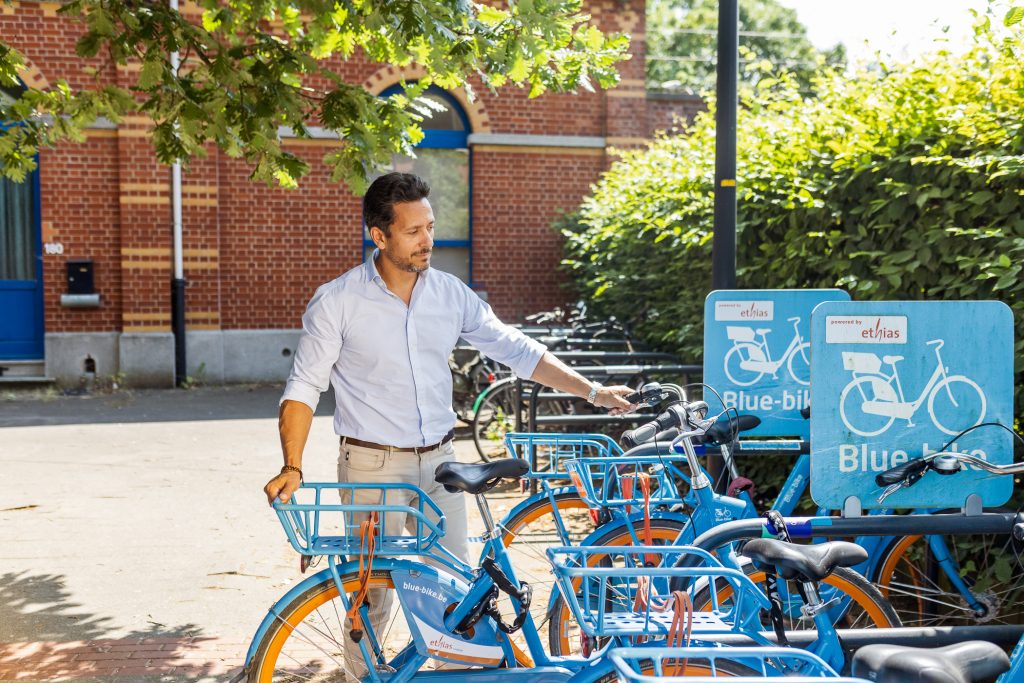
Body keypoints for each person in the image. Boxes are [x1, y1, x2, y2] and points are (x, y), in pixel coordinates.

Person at [262, 171, 634, 679]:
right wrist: (292, 465)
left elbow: (516, 350)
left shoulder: (449, 294)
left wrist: (593, 391)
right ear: (380, 235)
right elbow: (304, 387)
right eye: (413, 231)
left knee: (453, 593)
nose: (427, 240)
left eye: (430, 227)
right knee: (369, 595)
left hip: (441, 464)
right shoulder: (339, 301)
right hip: (371, 466)